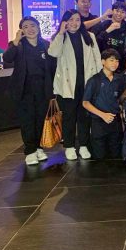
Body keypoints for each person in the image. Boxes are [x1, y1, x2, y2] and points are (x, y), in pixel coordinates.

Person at [48, 10, 101, 160]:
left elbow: (97, 59)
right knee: (69, 117)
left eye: (77, 20)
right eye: (70, 20)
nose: (74, 23)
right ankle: (69, 146)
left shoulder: (89, 36)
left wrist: (98, 81)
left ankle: (83, 145)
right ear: (64, 22)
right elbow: (53, 53)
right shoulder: (59, 37)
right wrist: (61, 33)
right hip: (68, 84)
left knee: (84, 116)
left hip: (86, 83)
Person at [3, 16, 54, 165]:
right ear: (21, 31)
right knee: (28, 121)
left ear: (38, 27)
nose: (30, 29)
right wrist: (15, 41)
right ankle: (30, 151)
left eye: (32, 25)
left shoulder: (46, 44)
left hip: (42, 89)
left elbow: (52, 67)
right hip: (24, 89)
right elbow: (7, 58)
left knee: (40, 120)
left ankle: (38, 148)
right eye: (25, 27)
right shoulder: (17, 45)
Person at [82, 49, 126, 160]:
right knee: (99, 156)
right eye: (111, 60)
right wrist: (102, 115)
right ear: (103, 61)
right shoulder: (94, 80)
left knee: (116, 155)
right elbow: (85, 103)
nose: (115, 63)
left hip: (115, 122)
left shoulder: (119, 79)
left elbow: (122, 98)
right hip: (98, 122)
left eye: (117, 61)